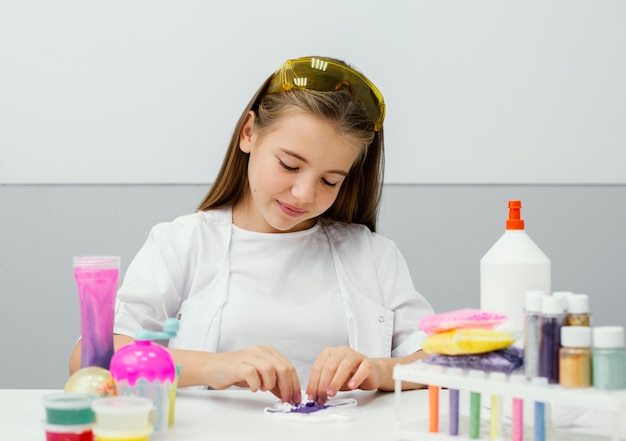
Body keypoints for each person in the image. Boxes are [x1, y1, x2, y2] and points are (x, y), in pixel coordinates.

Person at [69, 56, 433, 405]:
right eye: (290, 165)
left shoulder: (372, 254)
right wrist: (214, 366)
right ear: (248, 133)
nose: (304, 194)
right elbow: (90, 359)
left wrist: (379, 370)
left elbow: (442, 361)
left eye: (329, 180)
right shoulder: (184, 244)